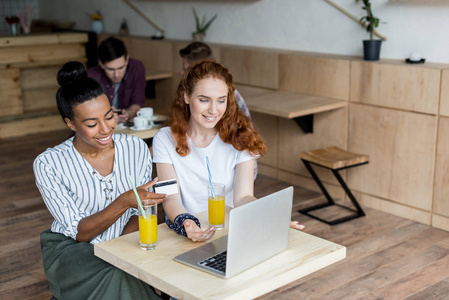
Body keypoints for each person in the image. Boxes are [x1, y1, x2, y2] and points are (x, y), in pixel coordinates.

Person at [33, 61, 165, 299]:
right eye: (92, 124)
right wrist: (124, 201)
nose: (106, 129)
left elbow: (142, 213)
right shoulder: (49, 163)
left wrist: (122, 251)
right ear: (70, 124)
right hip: (71, 249)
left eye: (109, 116)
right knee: (116, 274)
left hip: (127, 238)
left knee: (131, 268)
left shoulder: (136, 147)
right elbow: (80, 233)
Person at [152, 60, 303, 243]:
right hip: (185, 229)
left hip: (230, 231)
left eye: (221, 100)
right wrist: (187, 223)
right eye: (203, 100)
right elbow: (170, 199)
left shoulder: (240, 137)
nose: (214, 110)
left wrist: (269, 215)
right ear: (186, 96)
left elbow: (243, 197)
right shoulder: (164, 139)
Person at [179, 41, 258, 179]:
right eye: (204, 100)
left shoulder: (230, 97)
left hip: (237, 169)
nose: (182, 73)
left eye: (187, 69)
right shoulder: (189, 95)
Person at [179, 41, 251, 120]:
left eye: (221, 101)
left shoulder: (230, 95)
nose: (182, 72)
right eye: (204, 100)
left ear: (198, 70)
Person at [87, 37, 146, 124]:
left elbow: (137, 101)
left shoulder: (136, 68)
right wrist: (105, 116)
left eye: (121, 68)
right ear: (101, 64)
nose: (116, 75)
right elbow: (85, 112)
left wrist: (128, 113)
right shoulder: (90, 76)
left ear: (127, 60)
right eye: (110, 69)